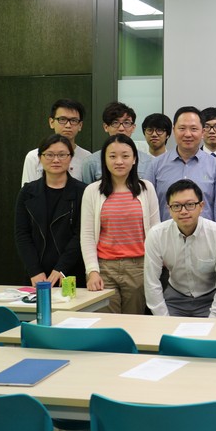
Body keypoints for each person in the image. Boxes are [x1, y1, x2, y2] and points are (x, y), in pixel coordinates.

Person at [80, 134, 160, 314]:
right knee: (107, 327)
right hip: (104, 268)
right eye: (112, 156)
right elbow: (86, 236)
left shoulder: (146, 188)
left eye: (125, 156)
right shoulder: (92, 191)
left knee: (135, 323)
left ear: (134, 159)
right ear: (104, 160)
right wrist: (92, 271)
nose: (119, 161)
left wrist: (154, 268)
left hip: (139, 267)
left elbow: (156, 232)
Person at [144, 179, 216, 317]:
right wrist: (163, 320)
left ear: (201, 206)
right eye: (176, 206)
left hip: (211, 299)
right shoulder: (156, 235)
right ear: (169, 209)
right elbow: (151, 282)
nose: (183, 211)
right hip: (175, 298)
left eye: (190, 205)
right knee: (167, 337)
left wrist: (213, 321)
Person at [15, 134, 87, 286]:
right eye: (49, 155)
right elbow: (22, 234)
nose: (56, 160)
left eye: (62, 155)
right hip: (35, 274)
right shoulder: (27, 192)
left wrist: (61, 269)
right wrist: (34, 270)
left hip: (71, 273)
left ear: (71, 158)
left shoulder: (83, 192)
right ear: (40, 158)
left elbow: (81, 235)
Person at [147, 106, 216, 226]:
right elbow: (147, 208)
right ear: (174, 130)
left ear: (202, 132)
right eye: (182, 128)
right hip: (165, 239)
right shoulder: (156, 165)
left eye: (193, 129)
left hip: (205, 240)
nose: (188, 134)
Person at [80, 102, 152, 184]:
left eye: (126, 123)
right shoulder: (91, 163)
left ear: (133, 127)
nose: (121, 128)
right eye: (115, 123)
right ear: (106, 127)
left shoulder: (148, 162)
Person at [22, 99, 90, 184]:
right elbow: (28, 193)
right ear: (51, 122)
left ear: (80, 125)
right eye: (62, 119)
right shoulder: (33, 157)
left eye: (73, 120)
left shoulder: (87, 158)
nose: (68, 125)